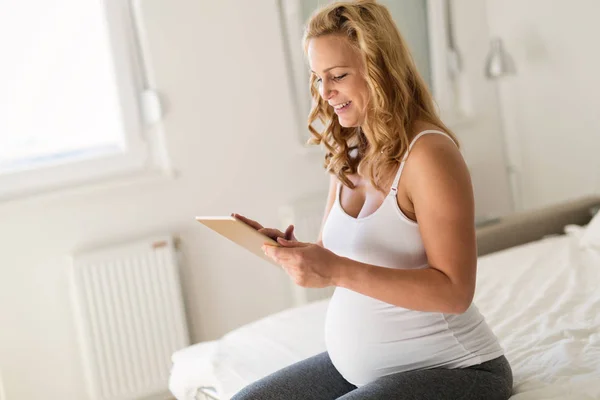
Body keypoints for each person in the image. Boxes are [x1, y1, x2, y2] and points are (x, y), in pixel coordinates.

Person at [231, 1, 513, 398]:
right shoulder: (348, 151)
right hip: (361, 370)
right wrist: (297, 252)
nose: (325, 93)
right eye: (317, 79)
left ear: (379, 68)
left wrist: (335, 270)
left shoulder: (429, 155)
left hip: (454, 368)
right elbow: (337, 255)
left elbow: (454, 292)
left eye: (338, 76)